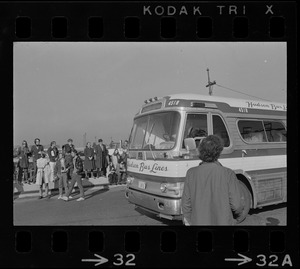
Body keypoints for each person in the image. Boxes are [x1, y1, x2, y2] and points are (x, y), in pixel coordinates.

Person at [181, 135, 244, 225]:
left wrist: (191, 221)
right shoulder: (228, 174)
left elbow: (186, 205)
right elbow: (237, 205)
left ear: (201, 152)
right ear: (219, 152)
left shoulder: (191, 173)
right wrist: (235, 219)